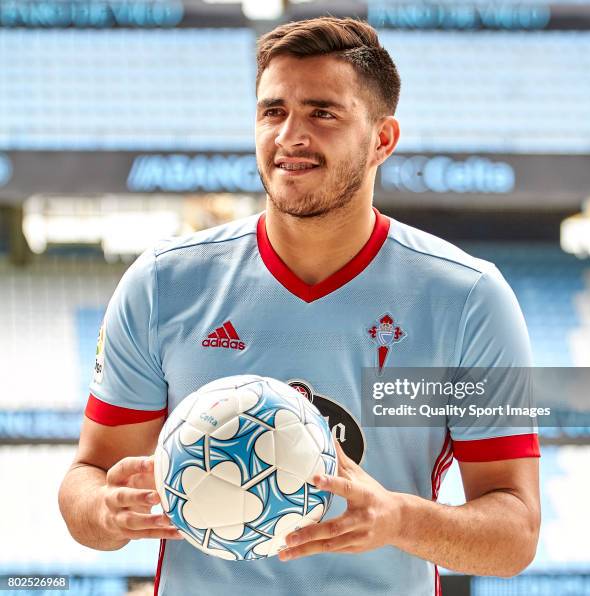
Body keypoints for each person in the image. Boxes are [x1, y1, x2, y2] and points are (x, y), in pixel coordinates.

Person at [59, 17, 540, 596]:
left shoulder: (466, 299)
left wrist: (398, 519)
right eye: (272, 111)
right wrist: (109, 514)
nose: (290, 135)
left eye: (323, 112)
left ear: (382, 140)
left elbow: (516, 531)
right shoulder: (165, 283)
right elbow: (86, 481)